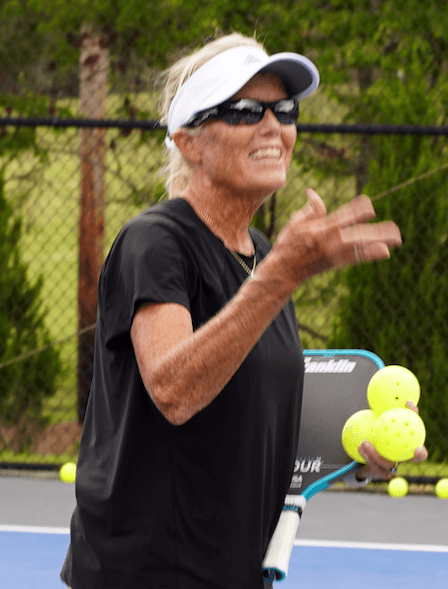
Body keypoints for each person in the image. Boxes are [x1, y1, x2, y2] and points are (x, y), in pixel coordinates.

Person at [61, 32, 426, 589]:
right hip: (147, 574)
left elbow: (253, 410)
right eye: (244, 111)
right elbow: (175, 391)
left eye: (284, 109)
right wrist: (280, 277)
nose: (273, 126)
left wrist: (357, 455)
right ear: (189, 142)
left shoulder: (260, 253)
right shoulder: (155, 242)